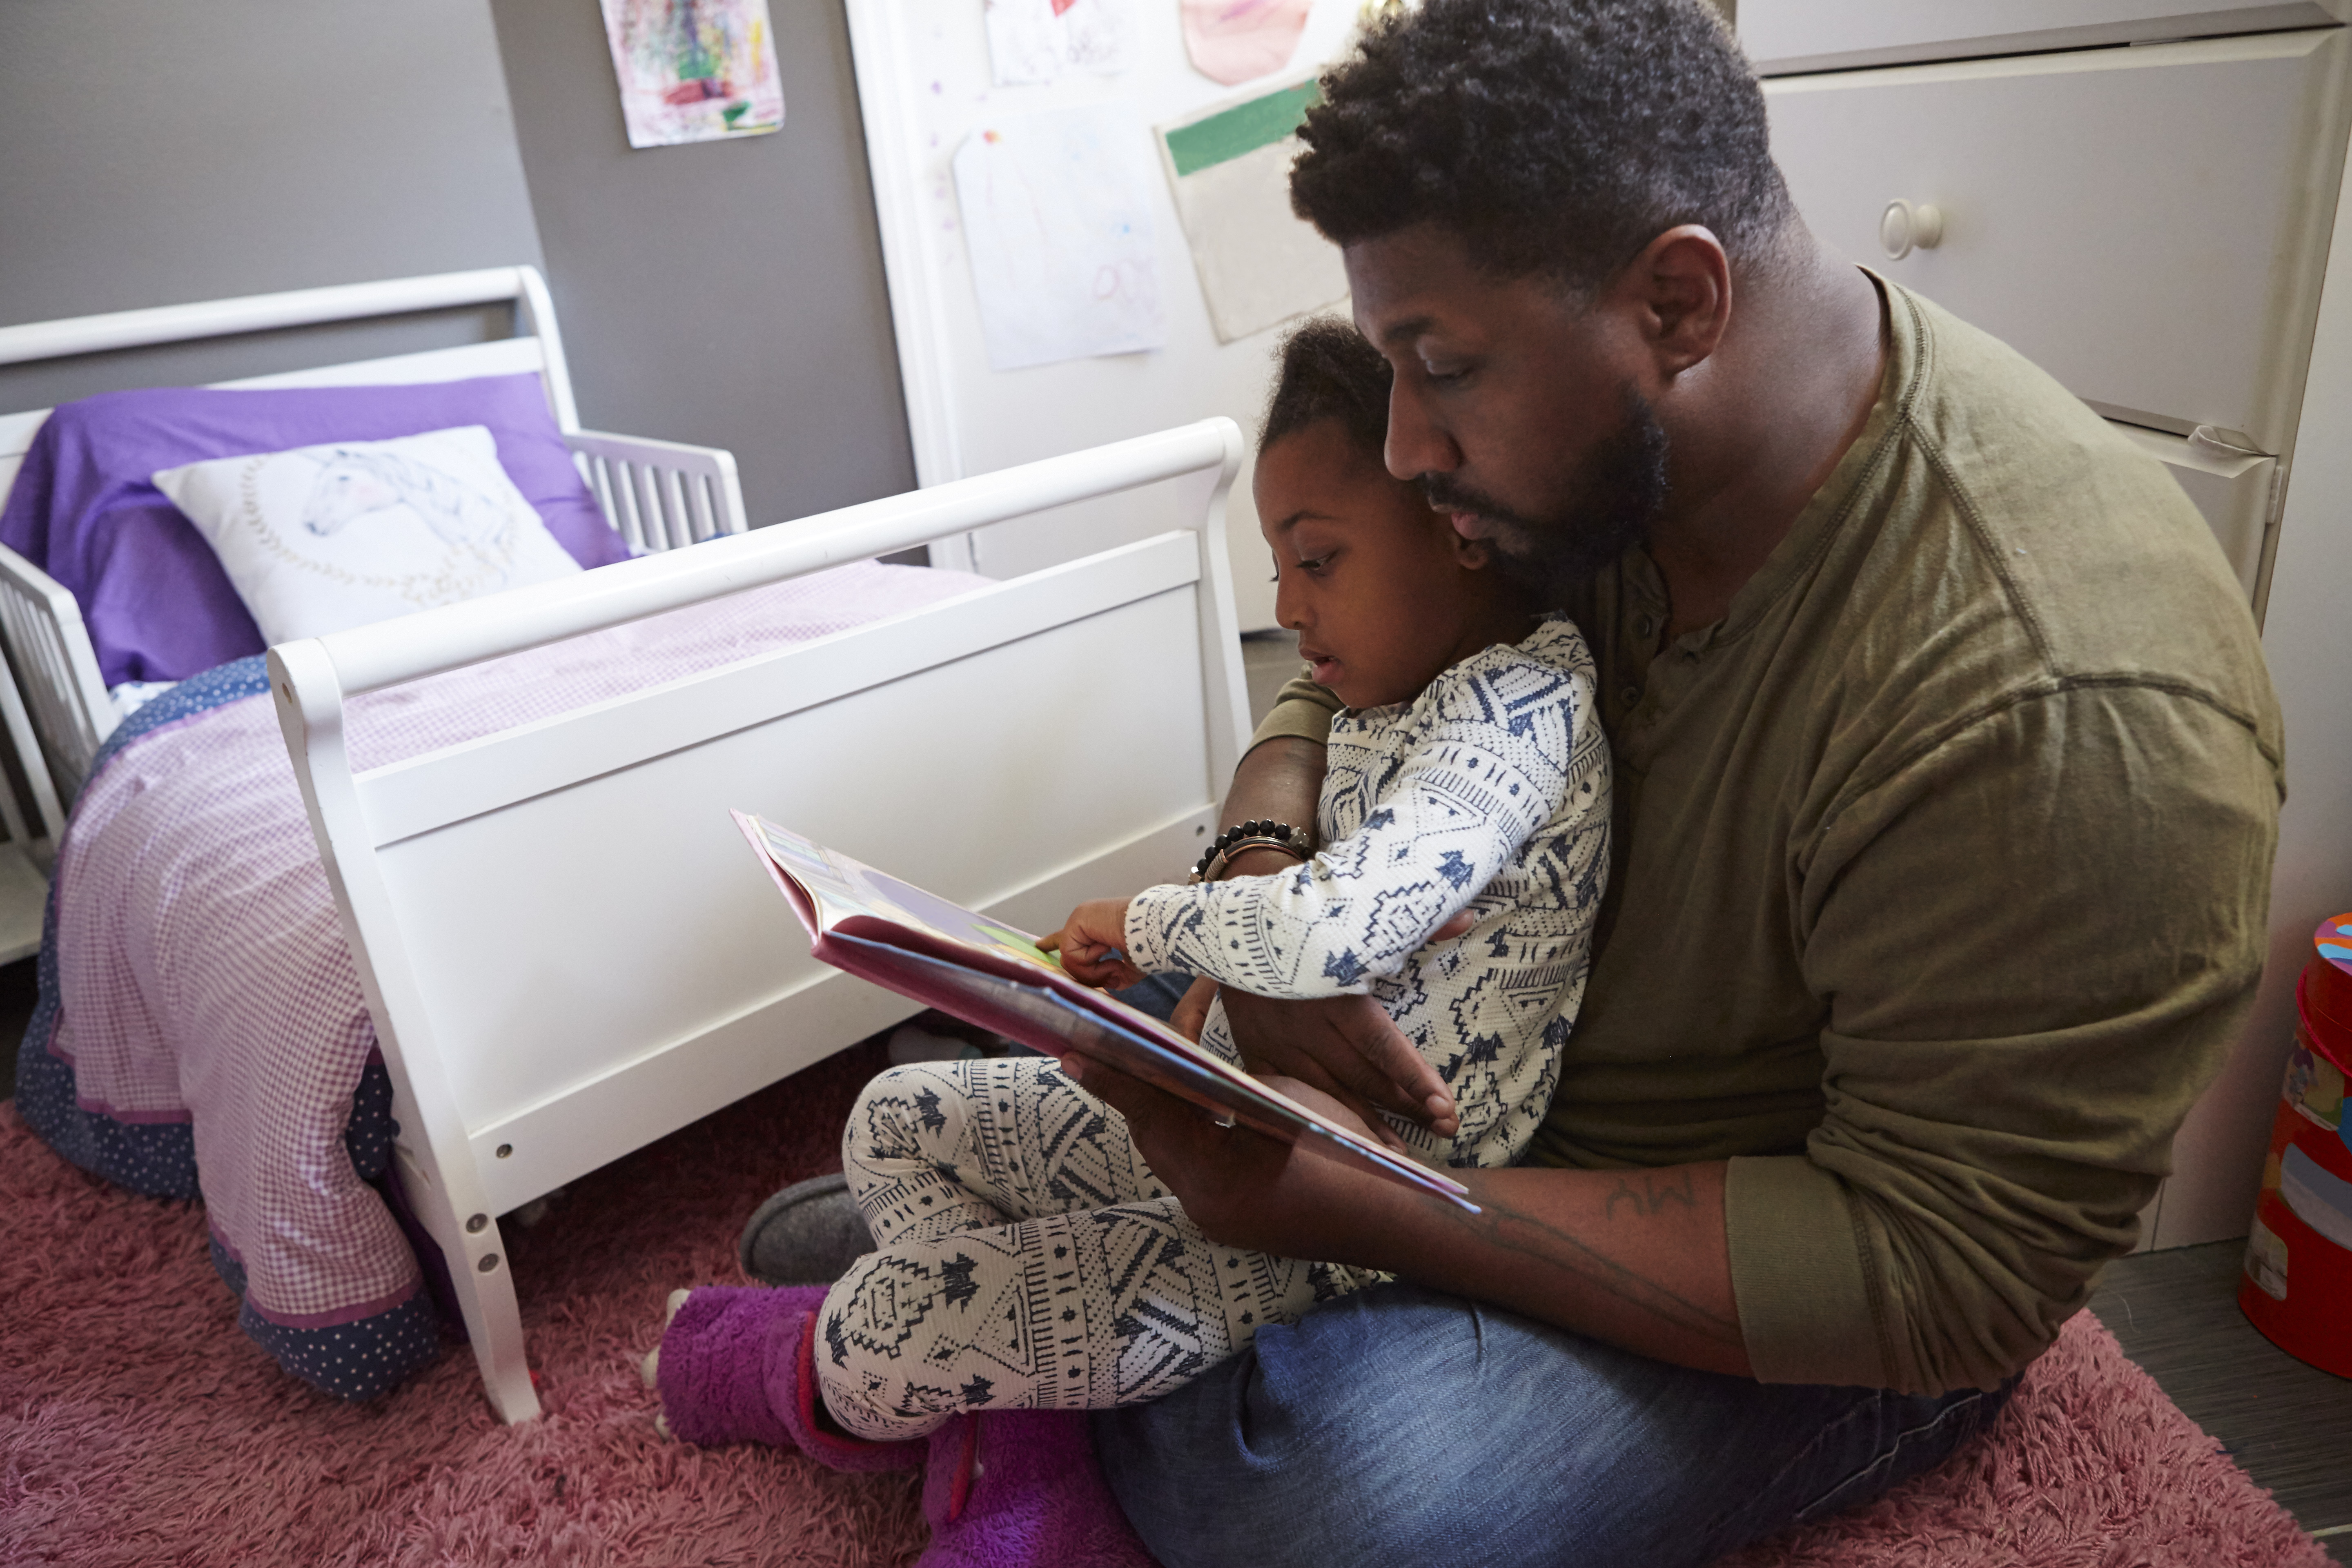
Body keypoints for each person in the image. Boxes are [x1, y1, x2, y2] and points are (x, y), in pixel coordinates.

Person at [1043, 1, 2281, 1564]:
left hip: (1798, 1242)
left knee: (1336, 1503)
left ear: (1680, 302)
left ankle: (1123, 1317)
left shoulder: (2059, 697)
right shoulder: (1573, 459)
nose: (1410, 447)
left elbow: (1946, 1272)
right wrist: (1263, 871)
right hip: (1476, 1076)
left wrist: (1344, 1200)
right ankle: (1128, 1297)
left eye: (1442, 371)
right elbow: (1344, 658)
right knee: (1104, 1018)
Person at [653, 318, 1610, 1445]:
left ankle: (804, 1373)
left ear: (1458, 532)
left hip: (1347, 1211)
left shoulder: (1520, 707)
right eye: (1278, 571)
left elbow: (1334, 927)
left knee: (881, 1328)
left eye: (1319, 560)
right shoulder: (1386, 695)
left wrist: (1148, 923)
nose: (1291, 608)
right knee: (892, 1117)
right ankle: (1019, 1438)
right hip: (1222, 1118)